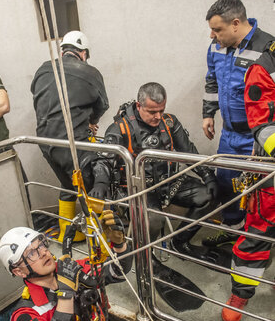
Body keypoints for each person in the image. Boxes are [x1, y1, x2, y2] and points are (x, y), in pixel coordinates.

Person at [0, 210, 200, 321]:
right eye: (31, 253)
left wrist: (119, 245)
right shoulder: (24, 316)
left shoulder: (72, 269)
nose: (43, 252)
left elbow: (116, 272)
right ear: (18, 270)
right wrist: (66, 294)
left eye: (41, 245)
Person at [90, 82, 218, 260]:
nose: (158, 116)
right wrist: (101, 182)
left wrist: (208, 175)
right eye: (152, 112)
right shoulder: (120, 128)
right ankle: (145, 258)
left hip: (169, 181)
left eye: (161, 110)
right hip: (137, 188)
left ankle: (179, 242)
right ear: (138, 105)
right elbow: (103, 160)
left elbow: (188, 152)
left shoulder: (170, 122)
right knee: (153, 218)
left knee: (209, 196)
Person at [202, 0, 274, 247]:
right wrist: (208, 113)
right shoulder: (216, 46)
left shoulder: (267, 48)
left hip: (258, 138)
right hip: (229, 134)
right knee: (226, 182)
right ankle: (233, 231)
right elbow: (212, 80)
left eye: (218, 29)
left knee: (261, 192)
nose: (213, 35)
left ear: (235, 23)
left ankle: (258, 242)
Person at [31, 30, 109, 242]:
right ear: (83, 53)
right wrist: (92, 122)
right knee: (93, 184)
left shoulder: (43, 69)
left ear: (63, 49)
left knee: (68, 184)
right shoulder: (90, 72)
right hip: (71, 140)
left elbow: (39, 97)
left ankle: (68, 233)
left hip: (45, 141)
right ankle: (98, 241)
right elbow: (103, 104)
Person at [221, 42, 275, 321]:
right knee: (257, 234)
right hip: (271, 177)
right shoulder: (266, 65)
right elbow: (261, 123)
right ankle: (241, 292)